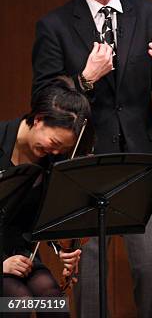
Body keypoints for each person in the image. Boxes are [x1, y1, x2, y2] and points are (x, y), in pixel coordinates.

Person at [31, 0, 152, 318]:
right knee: (92, 276)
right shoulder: (55, 25)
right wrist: (85, 79)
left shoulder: (147, 12)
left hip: (140, 159)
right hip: (85, 162)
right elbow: (43, 100)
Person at [1, 78, 91, 317]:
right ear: (38, 119)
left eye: (61, 149)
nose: (54, 152)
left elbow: (44, 217)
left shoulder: (52, 161)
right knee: (17, 302)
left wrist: (62, 248)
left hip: (21, 253)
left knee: (53, 300)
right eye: (53, 143)